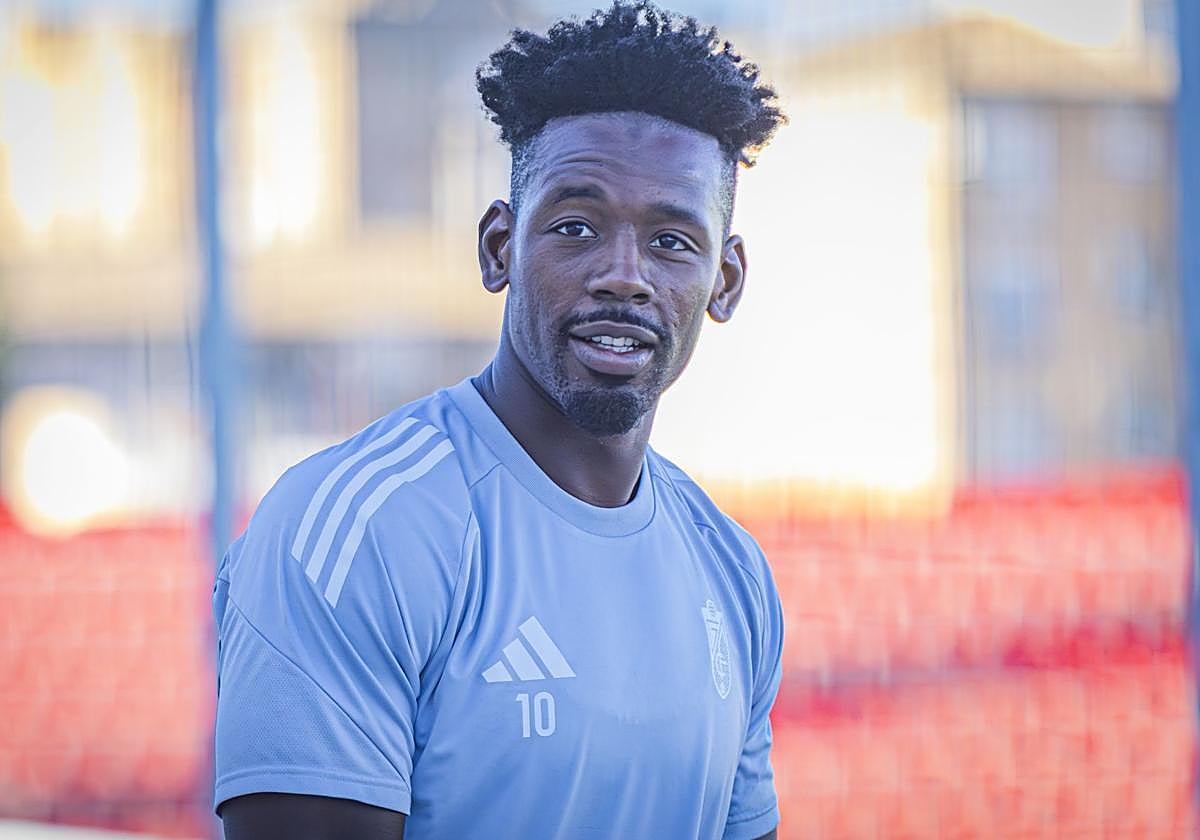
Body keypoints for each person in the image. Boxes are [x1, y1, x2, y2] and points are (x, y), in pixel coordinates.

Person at [213, 2, 786, 837]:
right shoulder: (356, 529)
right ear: (498, 249)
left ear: (725, 280)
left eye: (672, 242)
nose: (623, 276)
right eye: (576, 227)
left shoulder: (733, 572)